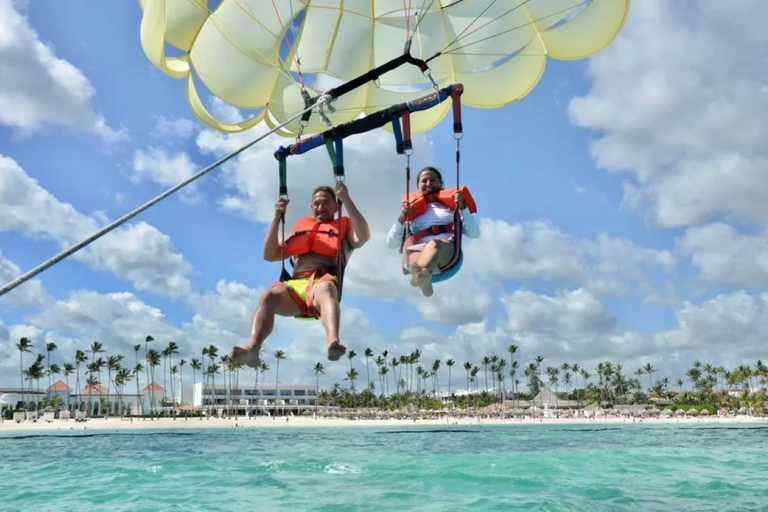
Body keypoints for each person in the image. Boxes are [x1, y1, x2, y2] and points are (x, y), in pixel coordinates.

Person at [231, 182, 370, 368]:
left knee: (326, 287)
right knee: (268, 296)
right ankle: (253, 349)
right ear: (312, 207)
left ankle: (332, 341)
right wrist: (277, 218)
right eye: (317, 204)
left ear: (336, 207)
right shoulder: (302, 228)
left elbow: (363, 236)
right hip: (296, 287)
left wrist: (346, 199)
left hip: (322, 281)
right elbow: (269, 254)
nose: (321, 207)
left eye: (326, 203)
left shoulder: (343, 228)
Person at [386, 166, 479, 297]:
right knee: (413, 253)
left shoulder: (451, 206)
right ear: (418, 186)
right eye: (424, 181)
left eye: (433, 180)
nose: (428, 184)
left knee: (435, 244)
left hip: (447, 254)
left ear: (441, 184)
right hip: (417, 251)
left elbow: (475, 234)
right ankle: (423, 277)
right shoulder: (412, 210)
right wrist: (403, 217)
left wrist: (463, 208)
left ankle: (418, 275)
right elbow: (391, 243)